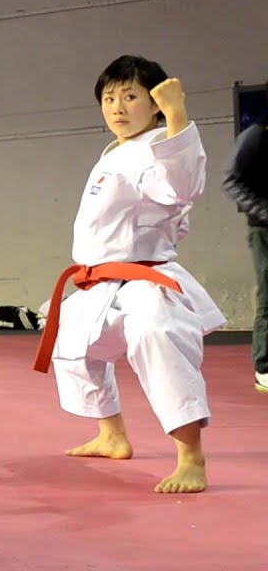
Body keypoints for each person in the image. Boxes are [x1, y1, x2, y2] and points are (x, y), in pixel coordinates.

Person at [33, 55, 226, 495]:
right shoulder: (117, 151)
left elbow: (182, 188)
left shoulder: (158, 144)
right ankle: (112, 435)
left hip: (144, 278)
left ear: (155, 104)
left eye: (131, 96)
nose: (117, 106)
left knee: (157, 338)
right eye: (109, 97)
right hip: (99, 279)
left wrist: (178, 115)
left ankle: (191, 457)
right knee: (73, 345)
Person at [222, 108, 268, 392]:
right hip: (264, 232)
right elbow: (230, 181)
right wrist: (263, 212)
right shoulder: (255, 137)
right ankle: (264, 368)